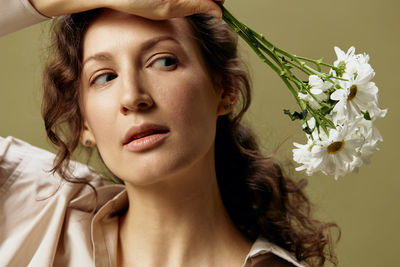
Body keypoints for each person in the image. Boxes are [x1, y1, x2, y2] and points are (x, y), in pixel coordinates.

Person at [0, 0, 339, 266]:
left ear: (225, 89)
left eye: (163, 61)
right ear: (84, 124)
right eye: (104, 76)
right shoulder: (34, 208)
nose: (133, 97)